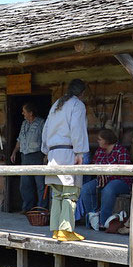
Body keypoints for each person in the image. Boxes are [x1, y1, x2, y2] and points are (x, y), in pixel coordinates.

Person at [41, 79, 89, 242]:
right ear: (82, 93)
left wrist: (46, 150)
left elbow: (46, 128)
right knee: (70, 192)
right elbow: (77, 128)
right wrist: (79, 152)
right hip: (68, 151)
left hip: (54, 153)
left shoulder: (56, 104)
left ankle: (56, 229)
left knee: (57, 194)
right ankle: (66, 230)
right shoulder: (77, 105)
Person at [77, 128, 133, 232]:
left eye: (100, 139)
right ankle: (93, 219)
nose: (98, 141)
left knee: (109, 189)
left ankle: (103, 222)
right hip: (103, 180)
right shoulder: (100, 151)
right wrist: (99, 173)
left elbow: (125, 171)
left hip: (121, 181)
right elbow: (94, 165)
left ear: (107, 140)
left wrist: (107, 174)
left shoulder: (121, 151)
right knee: (86, 189)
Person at [10, 102, 47, 212]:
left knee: (40, 184)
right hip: (25, 156)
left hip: (37, 156)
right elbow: (20, 139)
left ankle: (41, 209)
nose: (22, 113)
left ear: (31, 113)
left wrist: (46, 155)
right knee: (25, 185)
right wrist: (14, 152)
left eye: (24, 111)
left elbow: (46, 140)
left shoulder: (41, 123)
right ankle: (27, 208)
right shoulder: (24, 124)